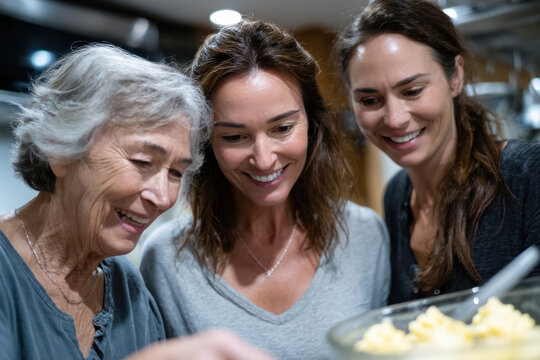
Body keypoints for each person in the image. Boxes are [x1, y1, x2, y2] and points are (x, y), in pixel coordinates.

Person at [0, 43, 273, 360]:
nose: (161, 197)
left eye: (175, 172)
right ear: (59, 150)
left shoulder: (127, 289)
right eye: (142, 161)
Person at [140, 19, 390, 359]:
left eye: (282, 128)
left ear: (312, 124)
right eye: (234, 136)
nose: (263, 158)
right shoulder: (166, 259)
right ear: (206, 143)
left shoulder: (365, 235)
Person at [336, 0, 540, 305]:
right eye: (369, 100)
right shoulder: (397, 196)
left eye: (412, 91)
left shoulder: (526, 174)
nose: (394, 118)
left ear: (455, 77)